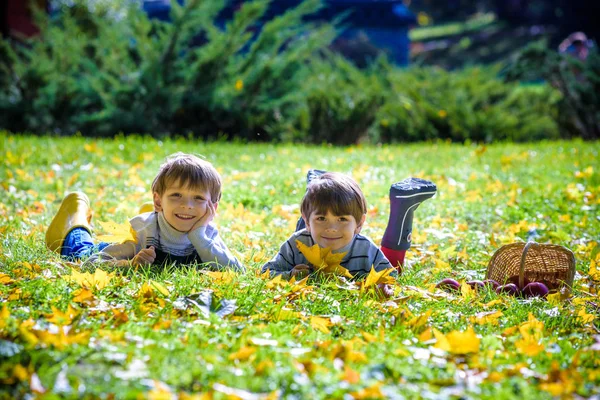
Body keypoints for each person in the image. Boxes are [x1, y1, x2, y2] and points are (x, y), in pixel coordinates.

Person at [45, 153, 243, 271]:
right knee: (79, 252)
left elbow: (236, 271)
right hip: (128, 243)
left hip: (158, 221)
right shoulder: (142, 231)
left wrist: (198, 236)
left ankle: (166, 213)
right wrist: (129, 265)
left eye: (198, 198)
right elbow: (91, 263)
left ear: (213, 208)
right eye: (176, 195)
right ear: (157, 200)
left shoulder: (206, 233)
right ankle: (75, 222)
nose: (187, 205)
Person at [262, 172, 394, 279]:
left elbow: (390, 275)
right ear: (308, 222)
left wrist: (381, 285)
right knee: (311, 213)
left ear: (359, 223)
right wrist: (289, 275)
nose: (331, 228)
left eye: (342, 219)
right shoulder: (297, 244)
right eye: (322, 218)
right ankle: (315, 189)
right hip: (308, 230)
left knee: (319, 209)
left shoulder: (366, 249)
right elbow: (266, 272)